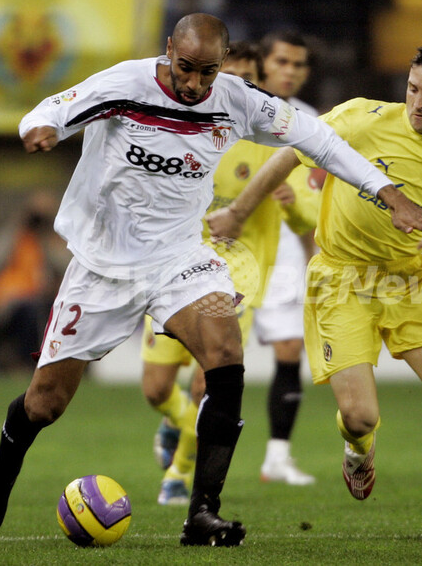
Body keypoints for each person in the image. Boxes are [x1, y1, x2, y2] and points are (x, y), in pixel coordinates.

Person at [0, 13, 422, 547]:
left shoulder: (237, 100)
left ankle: (202, 514)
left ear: (222, 64)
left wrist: (390, 195)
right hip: (103, 265)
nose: (195, 83)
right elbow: (53, 109)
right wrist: (38, 128)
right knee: (45, 403)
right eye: (186, 68)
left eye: (207, 71)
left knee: (225, 352)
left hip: (179, 258)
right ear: (168, 49)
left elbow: (321, 140)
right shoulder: (125, 84)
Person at [208, 41, 422, 540]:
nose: (417, 102)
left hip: (408, 282)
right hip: (341, 278)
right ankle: (358, 448)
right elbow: (289, 153)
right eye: (412, 88)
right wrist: (239, 212)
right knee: (361, 416)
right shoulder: (361, 118)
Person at [140, 41, 320, 506]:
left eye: (247, 80)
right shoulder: (186, 130)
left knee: (208, 383)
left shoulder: (275, 142)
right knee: (156, 389)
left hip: (236, 279)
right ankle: (177, 422)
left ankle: (179, 476)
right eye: (228, 78)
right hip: (174, 269)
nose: (236, 88)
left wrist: (292, 205)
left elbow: (309, 215)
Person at [252, 30, 321, 484]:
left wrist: (314, 250)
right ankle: (181, 456)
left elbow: (315, 196)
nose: (290, 71)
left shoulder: (311, 121)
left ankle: (277, 456)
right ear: (263, 64)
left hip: (285, 253)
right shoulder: (235, 109)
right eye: (282, 61)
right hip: (231, 246)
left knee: (290, 349)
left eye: (298, 64)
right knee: (206, 363)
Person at [0, 190, 69, 370]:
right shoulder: (16, 236)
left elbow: (65, 265)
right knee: (29, 311)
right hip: (10, 301)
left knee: (48, 310)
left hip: (40, 300)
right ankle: (24, 362)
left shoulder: (50, 240)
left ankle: (49, 362)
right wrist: (19, 223)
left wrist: (49, 232)